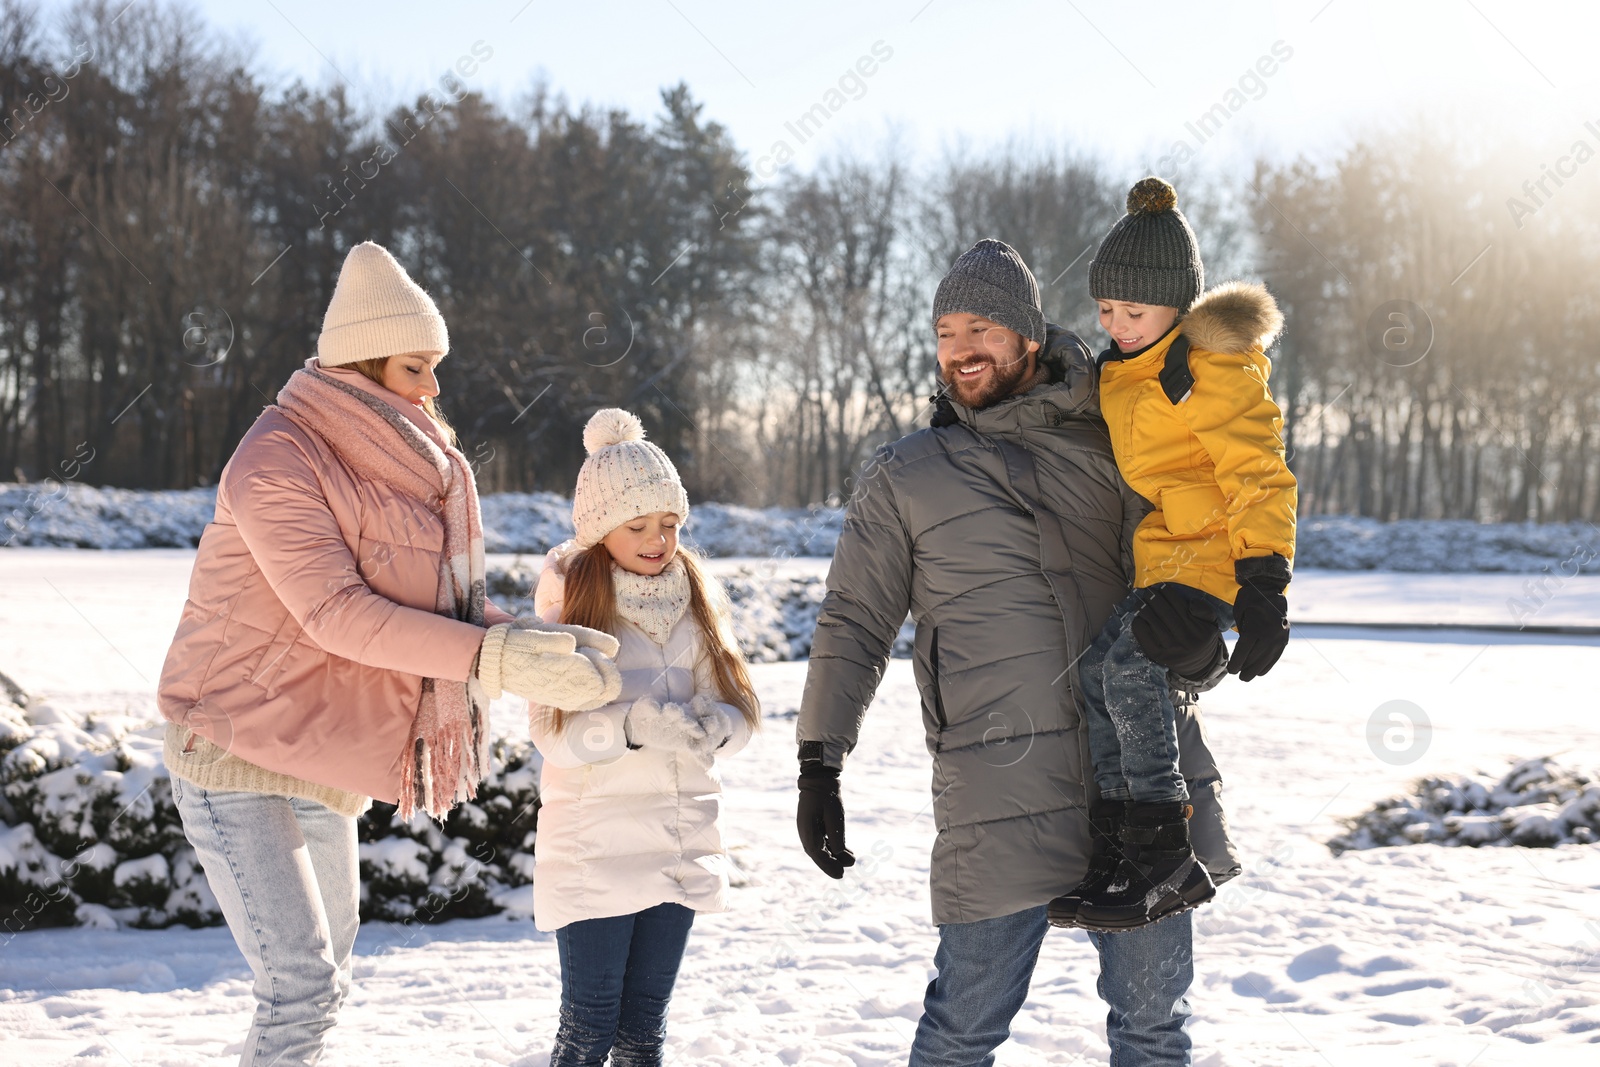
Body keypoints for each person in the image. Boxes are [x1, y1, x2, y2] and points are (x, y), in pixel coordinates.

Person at [158, 241, 621, 1067]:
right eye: (417, 367)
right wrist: (493, 659)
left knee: (328, 980)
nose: (435, 388)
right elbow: (339, 614)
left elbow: (439, 603)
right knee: (298, 986)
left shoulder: (407, 466)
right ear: (365, 366)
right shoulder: (277, 458)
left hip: (321, 751)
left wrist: (532, 636)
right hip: (230, 747)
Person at [796, 237, 1239, 1066]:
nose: (959, 348)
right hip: (998, 792)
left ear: (1028, 336)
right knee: (962, 1031)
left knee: (1154, 1031)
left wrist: (1207, 647)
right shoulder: (907, 476)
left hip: (1140, 790)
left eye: (981, 327)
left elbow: (1189, 565)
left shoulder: (1123, 438)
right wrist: (819, 762)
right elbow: (854, 619)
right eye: (944, 331)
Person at [1049, 178, 1296, 932]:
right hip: (1168, 556)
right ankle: (1123, 845)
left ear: (1177, 305)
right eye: (1106, 311)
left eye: (1135, 311)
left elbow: (1257, 470)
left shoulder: (1206, 366)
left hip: (1213, 556)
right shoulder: (1126, 365)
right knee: (1097, 672)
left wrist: (1264, 582)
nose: (1117, 324)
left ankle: (1163, 851)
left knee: (1126, 670)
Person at [527, 408, 759, 1067]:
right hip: (594, 850)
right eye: (639, 526)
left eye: (670, 522)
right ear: (601, 529)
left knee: (642, 1035)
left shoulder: (697, 597)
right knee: (589, 1030)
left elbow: (738, 706)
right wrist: (629, 728)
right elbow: (552, 735)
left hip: (678, 841)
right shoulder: (569, 607)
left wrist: (719, 726)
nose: (659, 540)